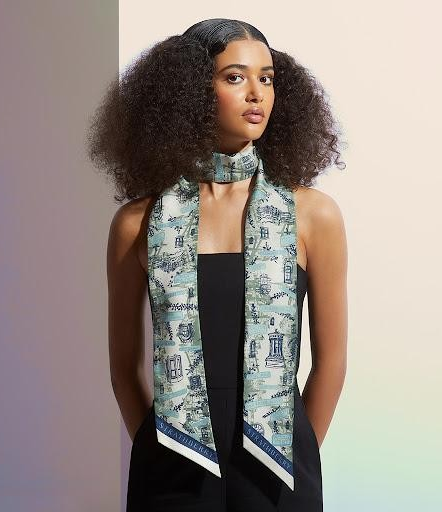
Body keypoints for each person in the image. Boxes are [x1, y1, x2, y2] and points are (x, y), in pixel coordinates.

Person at [87, 17, 348, 512]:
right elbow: (123, 366)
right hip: (173, 470)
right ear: (190, 93)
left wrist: (296, 449)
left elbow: (331, 362)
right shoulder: (138, 223)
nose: (256, 93)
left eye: (266, 78)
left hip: (278, 469)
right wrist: (159, 449)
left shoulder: (313, 215)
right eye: (234, 77)